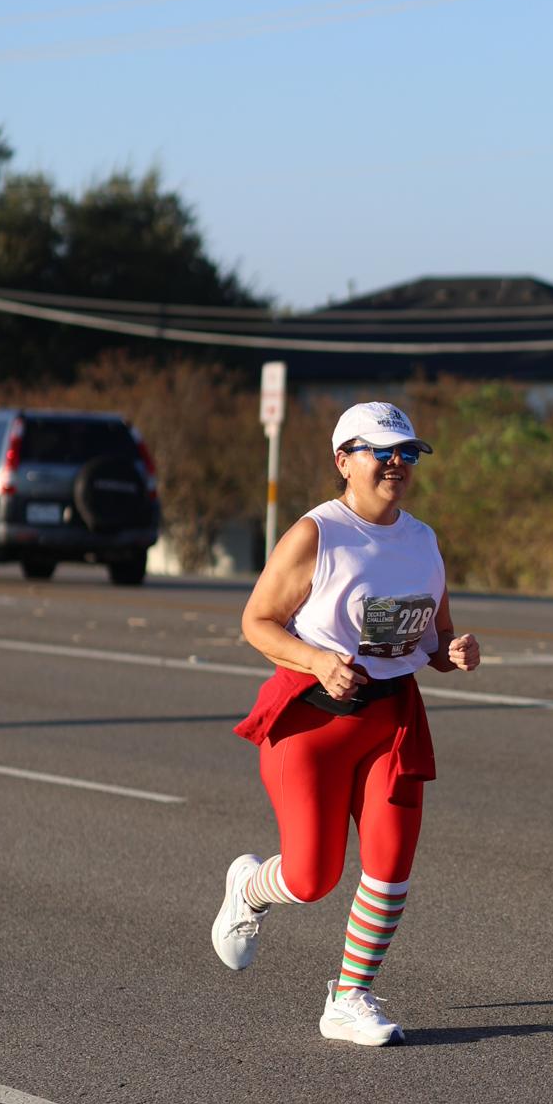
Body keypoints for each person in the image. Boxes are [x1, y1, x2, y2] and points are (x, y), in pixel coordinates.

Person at [212, 400, 480, 1045]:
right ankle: (250, 887)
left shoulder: (422, 540)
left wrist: (452, 651)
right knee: (313, 878)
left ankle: (350, 998)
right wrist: (317, 661)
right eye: (381, 452)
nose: (397, 463)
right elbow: (256, 622)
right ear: (343, 460)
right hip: (312, 727)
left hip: (392, 721)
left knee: (390, 866)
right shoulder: (317, 534)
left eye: (407, 453)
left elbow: (433, 637)